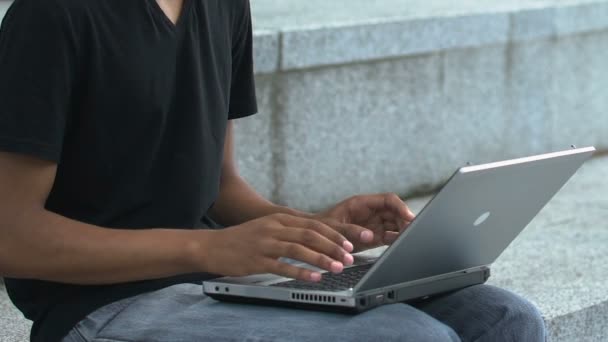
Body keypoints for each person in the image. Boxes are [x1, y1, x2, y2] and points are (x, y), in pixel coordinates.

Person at [0, 0, 546, 341]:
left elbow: (218, 186)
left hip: (213, 282)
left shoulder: (223, 5)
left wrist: (309, 228)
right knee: (405, 337)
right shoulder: (53, 14)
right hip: (100, 310)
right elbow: (11, 235)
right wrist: (206, 250)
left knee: (506, 321)